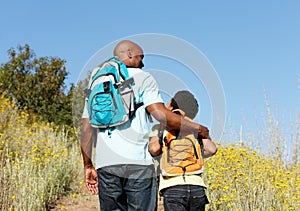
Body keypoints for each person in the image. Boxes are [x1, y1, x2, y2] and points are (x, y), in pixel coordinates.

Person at [80, 40, 210, 211]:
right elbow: (161, 115)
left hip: (106, 165)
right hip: (138, 164)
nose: (143, 63)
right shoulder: (143, 77)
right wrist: (198, 129)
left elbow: (86, 128)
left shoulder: (96, 82)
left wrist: (88, 165)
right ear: (129, 54)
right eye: (141, 58)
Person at [148, 90, 217, 211]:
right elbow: (212, 149)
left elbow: (154, 149)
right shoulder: (196, 128)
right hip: (197, 187)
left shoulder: (160, 127)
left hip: (173, 187)